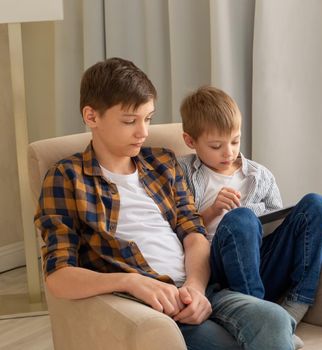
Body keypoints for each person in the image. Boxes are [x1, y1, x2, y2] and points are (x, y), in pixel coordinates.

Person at [34, 57, 296, 350]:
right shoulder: (66, 177)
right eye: (130, 121)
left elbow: (194, 234)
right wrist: (130, 282)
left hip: (202, 290)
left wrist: (195, 287)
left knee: (274, 320)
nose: (143, 132)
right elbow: (59, 276)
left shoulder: (162, 162)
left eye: (148, 119)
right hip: (151, 306)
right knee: (229, 343)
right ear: (92, 117)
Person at [178, 86, 322, 349]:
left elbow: (276, 222)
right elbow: (177, 228)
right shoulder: (182, 172)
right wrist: (211, 212)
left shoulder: (259, 175)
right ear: (190, 141)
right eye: (216, 146)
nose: (229, 153)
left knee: (319, 205)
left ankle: (293, 310)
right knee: (240, 219)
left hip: (261, 262)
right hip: (220, 271)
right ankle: (259, 316)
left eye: (235, 141)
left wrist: (321, 227)